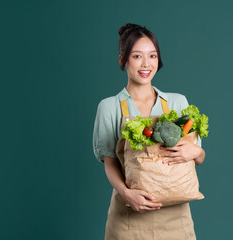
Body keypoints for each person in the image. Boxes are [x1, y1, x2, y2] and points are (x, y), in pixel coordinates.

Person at [93, 23, 206, 240]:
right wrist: (127, 194)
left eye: (152, 56)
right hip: (129, 217)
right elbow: (109, 163)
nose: (146, 64)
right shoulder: (109, 107)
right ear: (122, 60)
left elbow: (199, 156)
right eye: (137, 56)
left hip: (176, 220)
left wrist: (195, 153)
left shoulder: (177, 102)